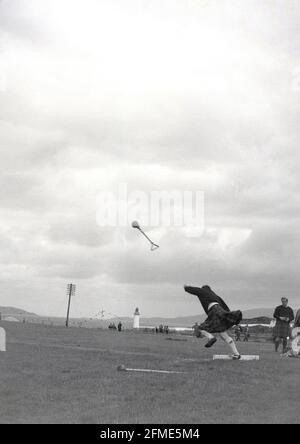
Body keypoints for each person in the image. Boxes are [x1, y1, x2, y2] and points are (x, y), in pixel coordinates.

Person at [184, 284, 243, 359]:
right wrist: (227, 315)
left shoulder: (203, 291)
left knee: (200, 328)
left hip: (213, 311)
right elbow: (224, 304)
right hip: (221, 311)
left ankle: (211, 337)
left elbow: (195, 290)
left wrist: (186, 288)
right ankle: (237, 354)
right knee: (224, 335)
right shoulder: (215, 295)